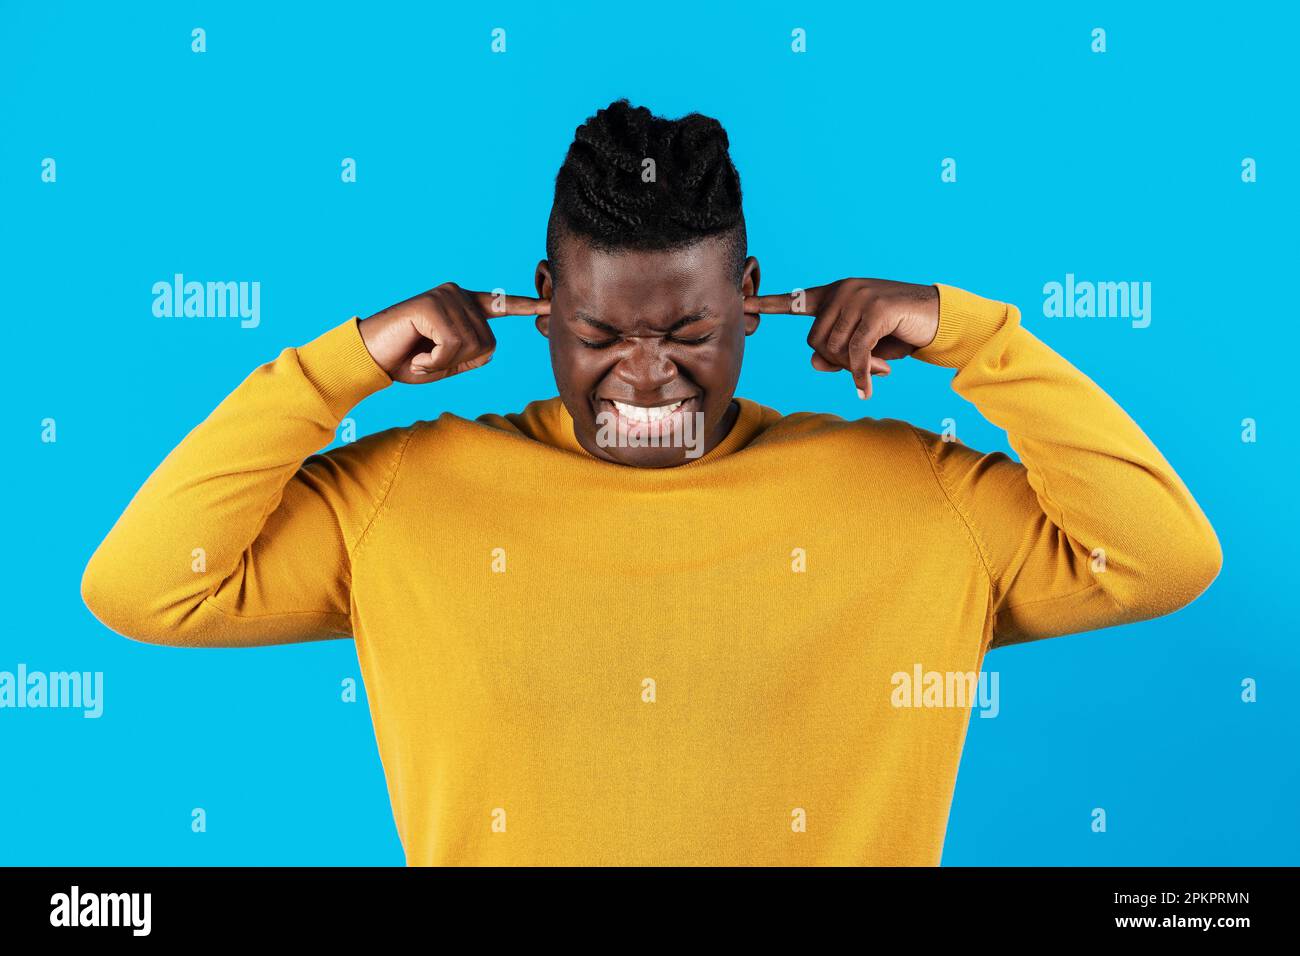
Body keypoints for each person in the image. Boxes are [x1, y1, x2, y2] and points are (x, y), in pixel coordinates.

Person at [81, 99, 1221, 866]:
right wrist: (342, 365)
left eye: (686, 329)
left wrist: (970, 336)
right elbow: (146, 588)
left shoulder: (912, 494)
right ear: (534, 302)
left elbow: (1162, 553)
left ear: (754, 299)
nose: (644, 374)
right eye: (598, 332)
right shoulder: (412, 493)